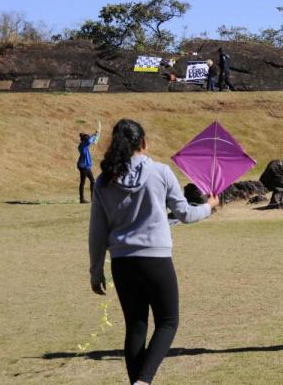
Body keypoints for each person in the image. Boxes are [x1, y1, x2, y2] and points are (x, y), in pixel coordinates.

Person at [89, 119, 219, 385]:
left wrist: (95, 270)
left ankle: (137, 382)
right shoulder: (160, 172)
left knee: (136, 326)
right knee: (168, 322)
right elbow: (185, 214)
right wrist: (209, 206)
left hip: (122, 262)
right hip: (156, 259)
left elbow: (97, 232)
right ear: (144, 143)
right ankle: (143, 381)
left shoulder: (103, 181)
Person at [77, 128, 100, 204]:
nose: (88, 140)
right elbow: (90, 140)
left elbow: (89, 140)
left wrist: (94, 135)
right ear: (84, 140)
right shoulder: (83, 145)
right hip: (84, 166)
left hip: (83, 166)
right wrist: (95, 135)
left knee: (88, 181)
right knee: (90, 181)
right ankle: (84, 199)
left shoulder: (82, 145)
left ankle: (83, 199)